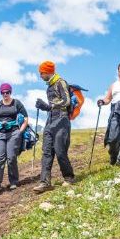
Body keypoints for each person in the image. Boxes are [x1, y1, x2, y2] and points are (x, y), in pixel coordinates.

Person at [34, 60, 76, 193]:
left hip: (62, 119)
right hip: (50, 120)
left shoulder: (60, 82)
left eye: (41, 73)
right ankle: (45, 182)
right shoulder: (49, 86)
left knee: (60, 150)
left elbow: (67, 100)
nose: (40, 75)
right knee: (46, 152)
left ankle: (69, 177)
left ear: (47, 71)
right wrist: (45, 107)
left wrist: (49, 106)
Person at [0, 83, 28, 193]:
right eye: (3, 93)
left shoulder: (17, 103)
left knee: (11, 158)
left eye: (7, 92)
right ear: (1, 93)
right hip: (0, 134)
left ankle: (13, 182)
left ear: (10, 92)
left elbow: (26, 118)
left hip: (14, 132)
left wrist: (20, 131)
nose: (5, 94)